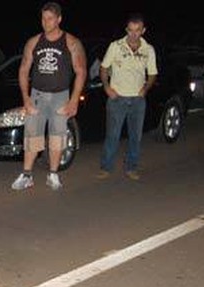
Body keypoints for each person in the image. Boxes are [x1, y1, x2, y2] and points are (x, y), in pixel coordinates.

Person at [11, 1, 87, 191]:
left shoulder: (71, 42)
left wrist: (74, 100)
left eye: (50, 19)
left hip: (61, 96)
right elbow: (23, 70)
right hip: (37, 95)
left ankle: (53, 174)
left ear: (59, 19)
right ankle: (27, 175)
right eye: (43, 18)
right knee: (32, 136)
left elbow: (81, 71)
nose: (46, 22)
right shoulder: (34, 42)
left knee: (57, 137)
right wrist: (26, 98)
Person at [97, 13, 157, 181]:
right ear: (126, 30)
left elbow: (152, 74)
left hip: (138, 100)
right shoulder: (115, 46)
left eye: (137, 30)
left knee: (135, 136)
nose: (133, 34)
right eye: (130, 30)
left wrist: (145, 88)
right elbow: (103, 68)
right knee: (112, 135)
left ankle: (132, 167)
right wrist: (107, 87)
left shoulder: (148, 49)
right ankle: (106, 167)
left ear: (143, 31)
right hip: (118, 99)